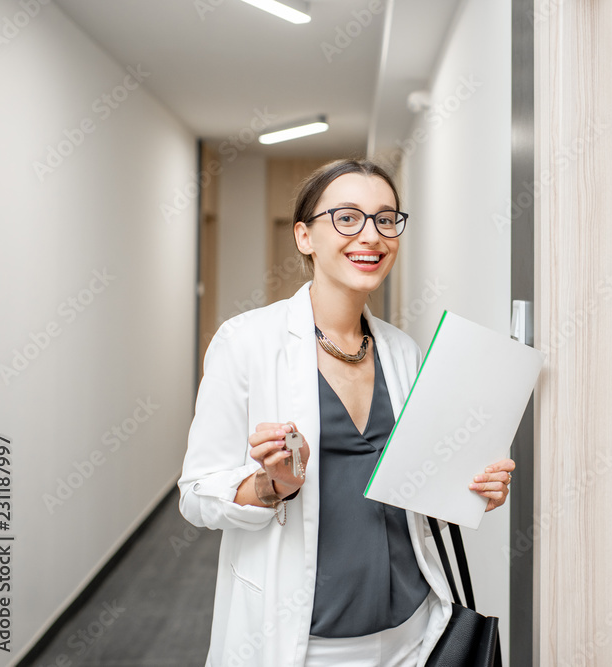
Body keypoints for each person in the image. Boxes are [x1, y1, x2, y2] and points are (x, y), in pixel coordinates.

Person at [178, 158, 515, 667]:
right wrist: (272, 485)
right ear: (304, 237)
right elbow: (197, 495)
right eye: (347, 217)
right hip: (304, 643)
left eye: (385, 219)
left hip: (415, 631)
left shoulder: (403, 352)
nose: (372, 236)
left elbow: (414, 494)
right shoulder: (247, 342)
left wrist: (471, 490)